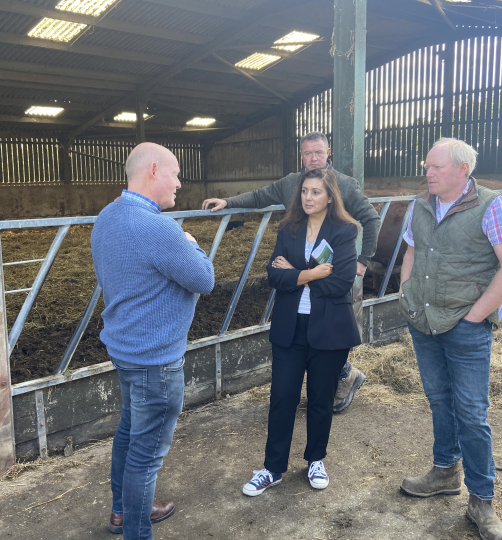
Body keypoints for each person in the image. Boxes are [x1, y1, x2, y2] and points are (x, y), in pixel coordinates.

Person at [398, 138, 502, 540]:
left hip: (466, 326)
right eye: (427, 166)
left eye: (435, 167)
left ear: (462, 170)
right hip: (424, 321)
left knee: (471, 412)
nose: (428, 173)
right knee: (439, 400)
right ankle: (444, 471)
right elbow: (411, 252)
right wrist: (406, 295)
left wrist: (475, 316)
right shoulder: (419, 205)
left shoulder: (493, 207)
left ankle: (482, 500)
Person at [202, 132, 380, 413]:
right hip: (297, 272)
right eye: (308, 154)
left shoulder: (343, 185)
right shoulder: (290, 183)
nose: (313, 159)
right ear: (301, 155)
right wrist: (228, 202)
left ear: (328, 152)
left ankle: (343, 376)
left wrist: (363, 260)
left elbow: (371, 217)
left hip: (334, 271)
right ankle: (328, 383)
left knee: (332, 327)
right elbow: (260, 196)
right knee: (303, 331)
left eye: (318, 153)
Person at [91, 142, 215, 540]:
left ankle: (121, 513)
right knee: (146, 457)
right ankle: (136, 532)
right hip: (156, 361)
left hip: (126, 351)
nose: (179, 184)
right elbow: (204, 280)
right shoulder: (158, 227)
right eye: (176, 174)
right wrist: (194, 245)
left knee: (129, 435)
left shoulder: (107, 217)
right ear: (154, 170)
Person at [242, 167, 362, 497]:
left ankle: (315, 460)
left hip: (329, 330)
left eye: (316, 192)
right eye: (305, 191)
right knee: (282, 397)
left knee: (320, 399)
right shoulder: (288, 228)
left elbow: (341, 284)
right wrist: (310, 273)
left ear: (330, 196)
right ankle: (272, 468)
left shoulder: (344, 231)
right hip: (290, 327)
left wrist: (294, 274)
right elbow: (273, 276)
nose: (308, 197)